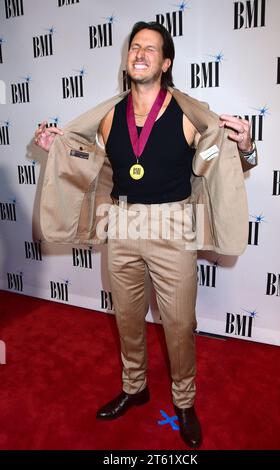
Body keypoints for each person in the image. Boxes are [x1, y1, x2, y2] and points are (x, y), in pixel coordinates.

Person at [34, 21, 257, 448]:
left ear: (165, 62)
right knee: (128, 319)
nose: (140, 54)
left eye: (150, 49)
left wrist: (246, 146)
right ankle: (135, 388)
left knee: (178, 324)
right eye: (135, 47)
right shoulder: (108, 115)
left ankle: (185, 402)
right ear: (127, 57)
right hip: (121, 223)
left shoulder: (190, 113)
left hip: (172, 226)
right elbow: (90, 161)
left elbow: (225, 161)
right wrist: (56, 148)